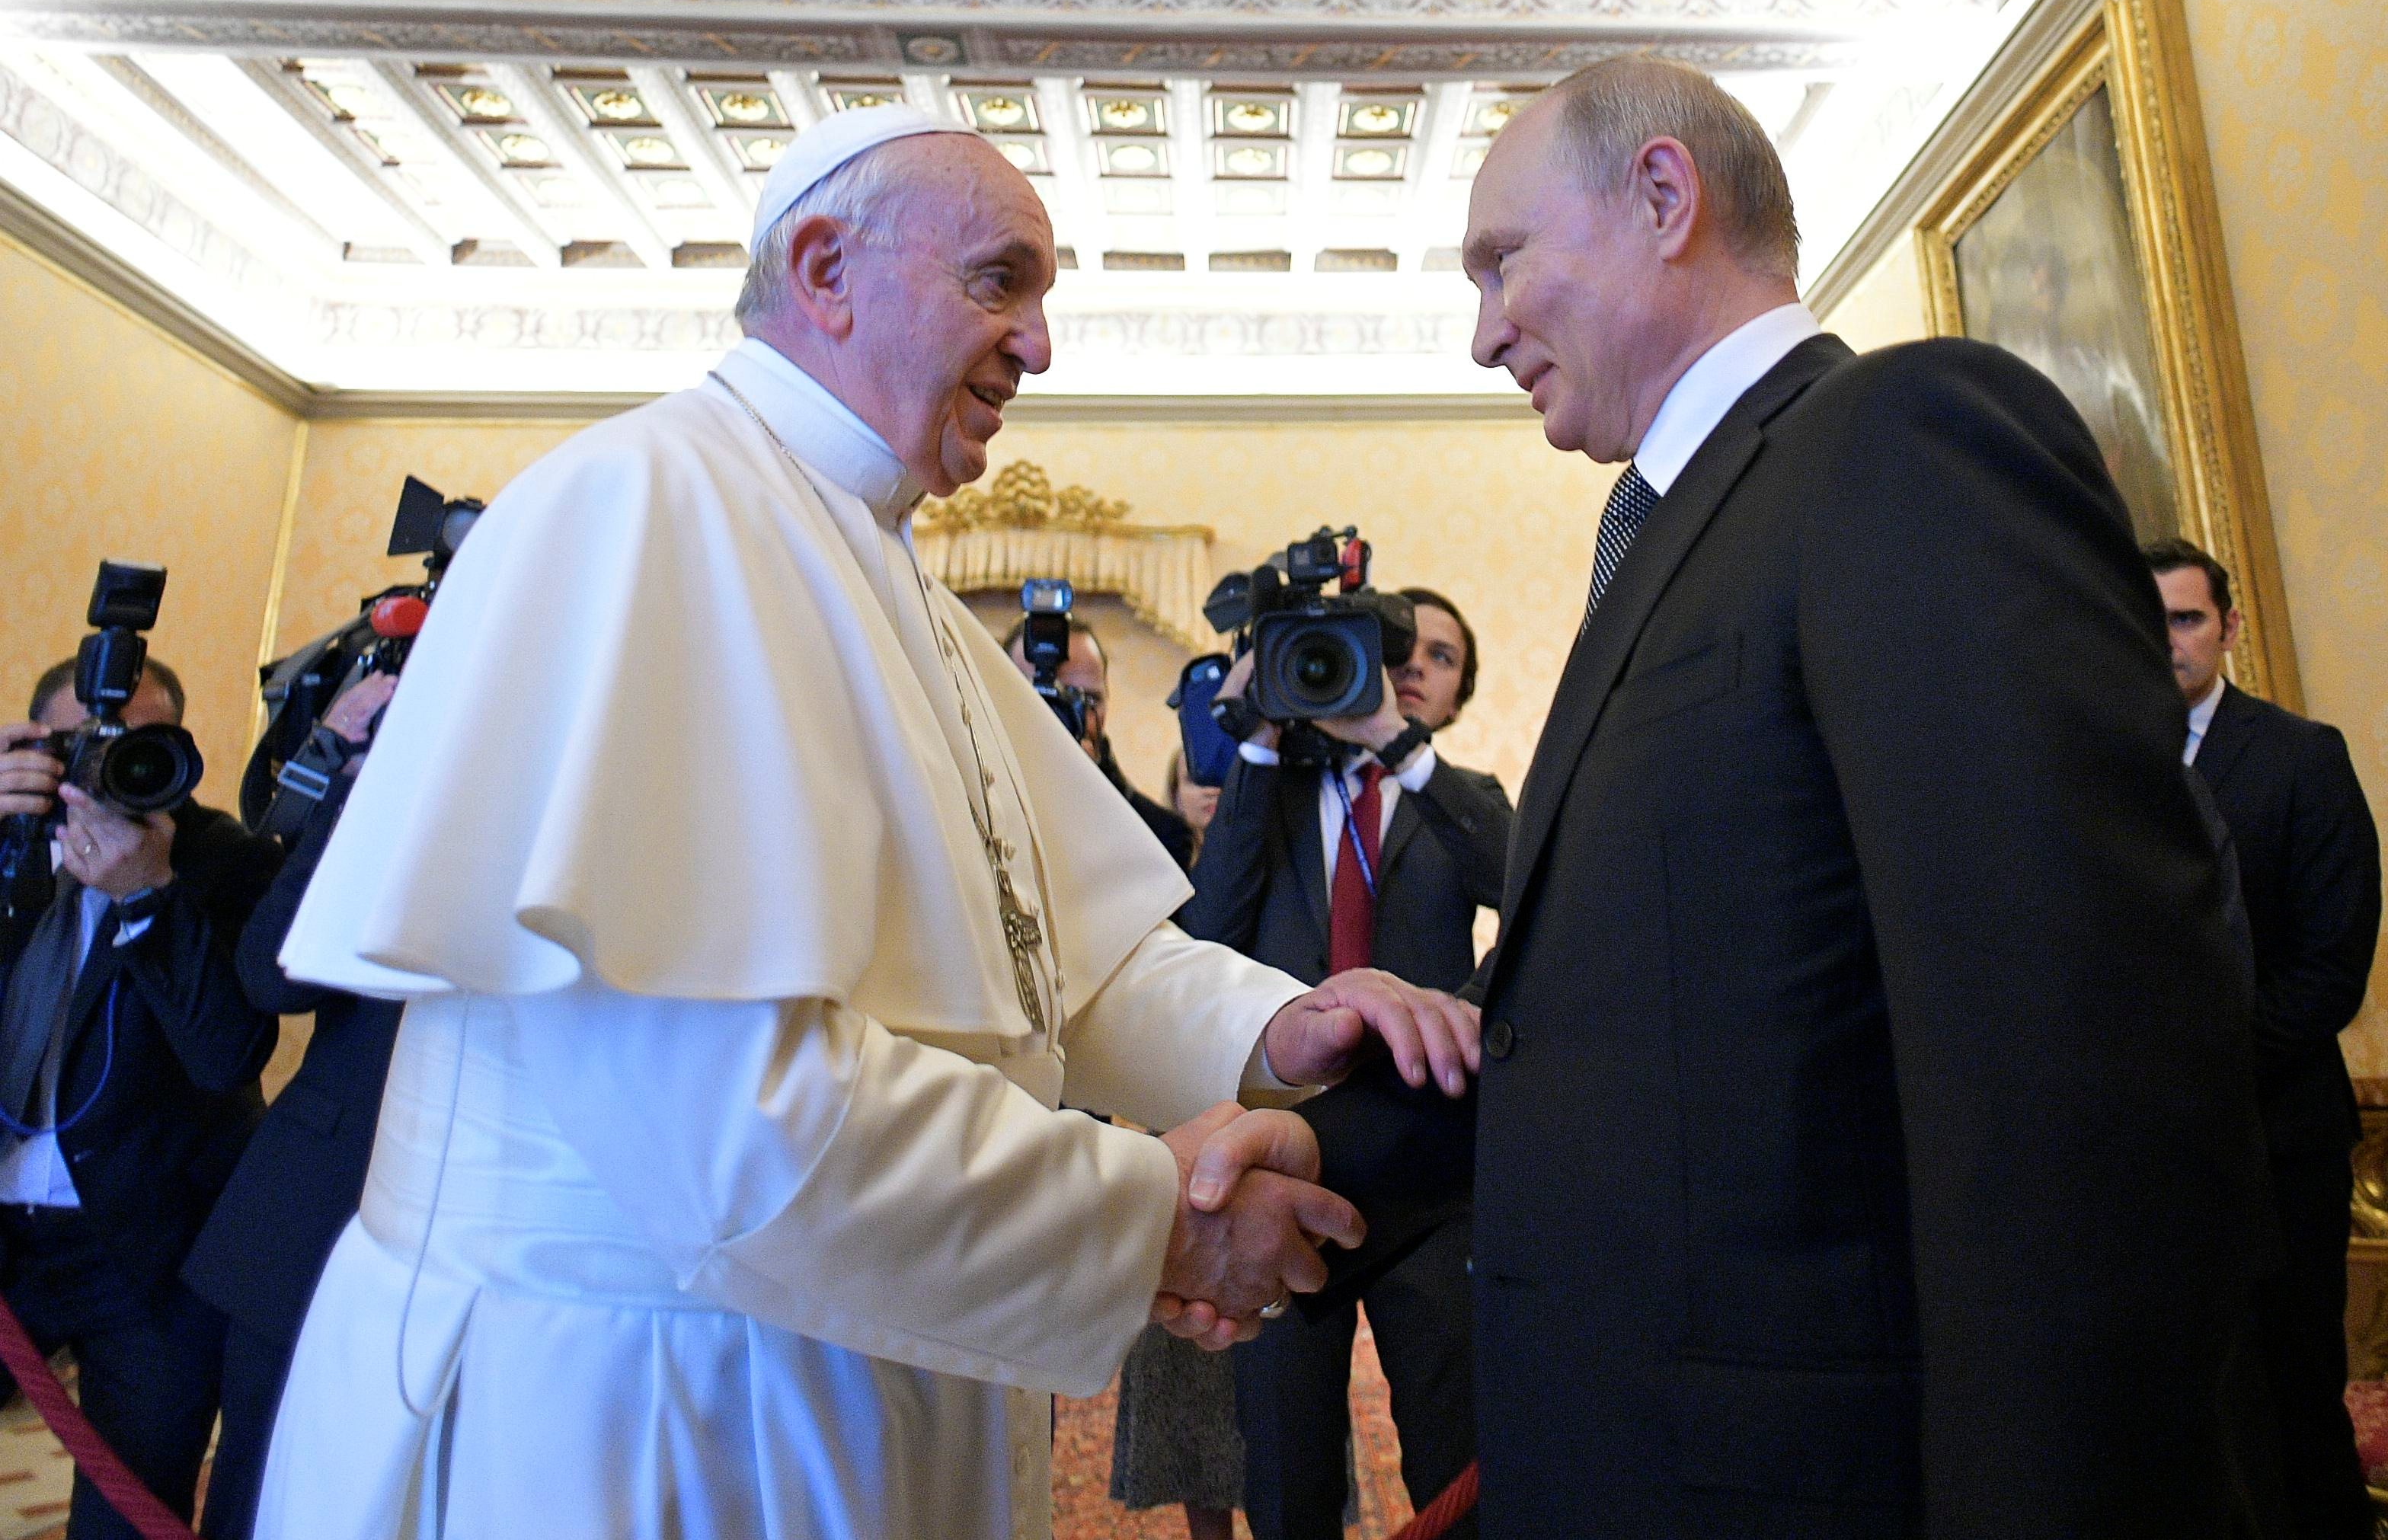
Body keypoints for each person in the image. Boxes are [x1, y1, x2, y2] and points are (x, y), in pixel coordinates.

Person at [253, 103, 1480, 1540]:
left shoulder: (896, 579)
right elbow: (730, 1120)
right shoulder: (652, 506)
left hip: (853, 1352)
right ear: (825, 268)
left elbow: (1062, 959)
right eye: (999, 281)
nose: (1038, 343)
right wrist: (1162, 1215)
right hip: (639, 1408)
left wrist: (1281, 1033)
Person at [1443, 56, 2271, 1535]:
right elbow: (1649, 1019)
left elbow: (2078, 1079)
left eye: (1499, 260)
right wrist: (1321, 1127)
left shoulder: (1899, 441)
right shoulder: (1677, 526)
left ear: (1659, 194)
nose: (1483, 329)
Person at [1182, 587, 1506, 1540]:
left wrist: (1401, 751)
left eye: (1440, 658)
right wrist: (1252, 735)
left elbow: (1530, 882)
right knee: (1287, 1476)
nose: (1412, 667)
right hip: (1289, 1164)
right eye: (1393, 647)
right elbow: (1208, 933)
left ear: (1454, 697)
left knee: (1457, 1464)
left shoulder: (1462, 799)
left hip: (1431, 1176)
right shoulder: (1267, 795)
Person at [0, 657, 280, 1540]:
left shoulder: (223, 859)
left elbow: (227, 1052)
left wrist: (149, 900)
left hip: (152, 1252)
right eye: (84, 743)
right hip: (7, 1232)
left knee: (130, 1513)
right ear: (36, 745)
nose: (106, 767)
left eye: (137, 741)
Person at [2150, 536, 2381, 1540]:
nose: (2164, 641)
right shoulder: (2101, 767)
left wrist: (2192, 1067)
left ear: (2228, 627)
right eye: (2143, 619)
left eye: (2185, 617)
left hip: (2279, 1140)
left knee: (2294, 1409)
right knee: (2191, 1430)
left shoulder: (2300, 755)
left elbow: (2330, 970)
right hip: (2159, 1164)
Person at [184, 672, 404, 1540]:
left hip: (508, 1239)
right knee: (255, 1491)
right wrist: (354, 778)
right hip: (318, 1215)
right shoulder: (388, 787)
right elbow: (275, 974)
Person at [1002, 615, 1194, 868]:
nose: (1068, 715)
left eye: (1088, 700)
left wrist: (1090, 795)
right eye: (1048, 696)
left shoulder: (1159, 842)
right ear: (1001, 694)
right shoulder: (962, 810)